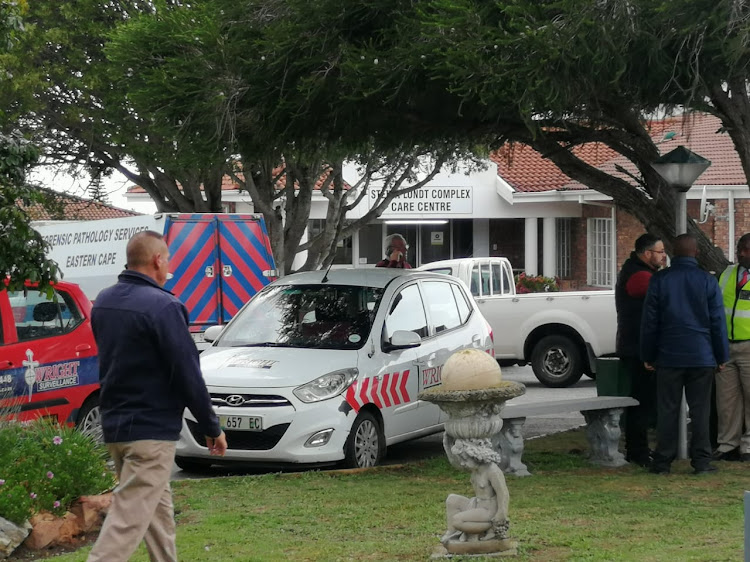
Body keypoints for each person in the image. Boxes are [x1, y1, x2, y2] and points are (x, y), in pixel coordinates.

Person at [87, 231, 227, 562]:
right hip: (151, 435)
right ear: (157, 261)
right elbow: (187, 372)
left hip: (117, 429)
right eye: (168, 261)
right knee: (126, 523)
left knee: (158, 515)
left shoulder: (103, 302)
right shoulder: (164, 306)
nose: (169, 268)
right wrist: (211, 425)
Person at [641, 234, 728, 475]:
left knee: (667, 409)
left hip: (668, 355)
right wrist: (721, 356)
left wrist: (647, 354)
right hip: (701, 355)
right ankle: (701, 461)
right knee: (701, 410)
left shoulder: (659, 280)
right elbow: (717, 322)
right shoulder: (707, 281)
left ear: (672, 253)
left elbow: (650, 322)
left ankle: (662, 462)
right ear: (697, 253)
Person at [615, 233, 666, 467]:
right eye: (660, 252)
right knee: (641, 403)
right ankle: (638, 451)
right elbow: (662, 294)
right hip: (637, 348)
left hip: (637, 345)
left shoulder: (639, 271)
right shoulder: (639, 276)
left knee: (644, 401)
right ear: (647, 254)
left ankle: (639, 449)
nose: (664, 256)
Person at [715, 233, 750, 462]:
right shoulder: (728, 273)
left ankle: (748, 447)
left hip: (749, 346)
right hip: (726, 345)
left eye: (746, 249)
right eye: (740, 248)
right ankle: (727, 445)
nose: (741, 253)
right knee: (726, 400)